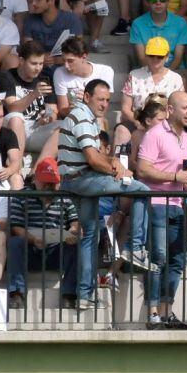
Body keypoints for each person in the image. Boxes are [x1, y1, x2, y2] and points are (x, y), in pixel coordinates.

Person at [58, 79, 149, 310]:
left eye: (108, 100)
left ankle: (85, 295)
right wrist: (115, 168)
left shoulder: (83, 116)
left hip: (76, 180)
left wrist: (113, 162)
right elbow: (91, 158)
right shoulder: (81, 116)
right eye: (100, 99)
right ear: (87, 97)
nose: (105, 104)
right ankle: (136, 247)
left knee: (89, 236)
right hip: (83, 180)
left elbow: (93, 157)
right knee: (142, 189)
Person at [135, 91, 187, 330]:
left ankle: (166, 312)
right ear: (170, 110)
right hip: (158, 203)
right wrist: (174, 176)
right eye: (185, 107)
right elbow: (142, 169)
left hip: (178, 205)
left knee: (177, 261)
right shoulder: (154, 134)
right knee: (158, 259)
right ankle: (152, 314)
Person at [5, 158, 77, 312]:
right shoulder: (21, 196)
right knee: (15, 242)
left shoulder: (65, 197)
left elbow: (75, 222)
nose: (49, 187)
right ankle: (17, 292)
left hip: (55, 250)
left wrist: (72, 232)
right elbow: (16, 227)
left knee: (75, 245)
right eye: (45, 182)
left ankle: (69, 294)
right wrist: (33, 239)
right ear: (36, 180)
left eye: (52, 183)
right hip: (30, 249)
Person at [0, 40, 58, 154]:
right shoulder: (7, 77)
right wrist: (34, 94)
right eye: (34, 63)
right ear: (21, 61)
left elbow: (53, 109)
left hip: (37, 129)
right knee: (16, 117)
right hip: (12, 129)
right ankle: (16, 166)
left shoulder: (44, 79)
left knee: (65, 126)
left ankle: (37, 169)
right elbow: (11, 108)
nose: (38, 68)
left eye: (41, 64)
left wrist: (49, 118)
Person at [131, 0, 187, 73]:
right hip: (148, 70)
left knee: (182, 81)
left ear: (168, 0)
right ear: (146, 1)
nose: (158, 3)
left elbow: (178, 58)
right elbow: (142, 58)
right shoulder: (137, 24)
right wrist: (156, 76)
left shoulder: (180, 23)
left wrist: (165, 76)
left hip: (175, 70)